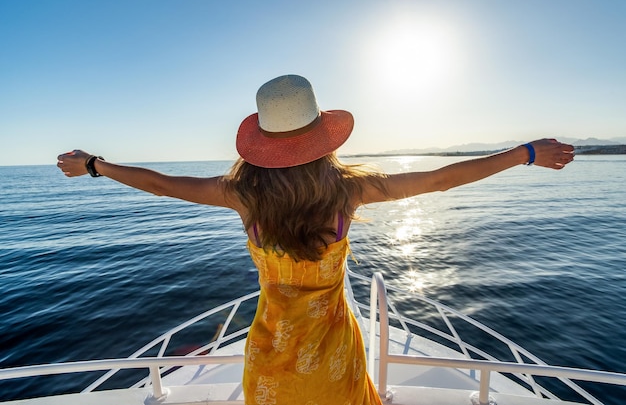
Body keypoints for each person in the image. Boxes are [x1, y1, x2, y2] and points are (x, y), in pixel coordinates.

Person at [57, 74, 575, 405]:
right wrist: (522, 154)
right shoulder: (349, 192)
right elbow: (440, 179)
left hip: (270, 351)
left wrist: (95, 165)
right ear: (322, 139)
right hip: (333, 351)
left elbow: (159, 183)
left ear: (261, 142)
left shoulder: (240, 194)